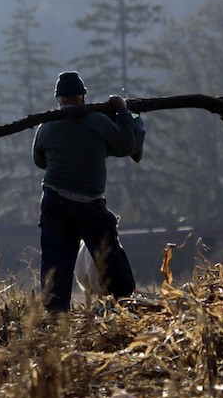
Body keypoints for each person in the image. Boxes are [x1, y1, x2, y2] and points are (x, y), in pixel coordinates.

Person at [33, 70, 144, 313]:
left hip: (53, 200)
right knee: (109, 255)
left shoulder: (46, 124)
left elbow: (39, 160)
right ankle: (125, 303)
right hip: (88, 203)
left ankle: (55, 315)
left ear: (58, 99)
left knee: (55, 258)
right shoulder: (97, 121)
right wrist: (124, 110)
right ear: (83, 96)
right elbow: (126, 143)